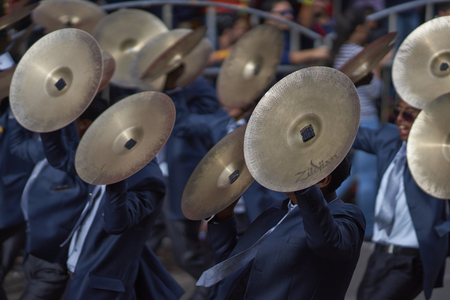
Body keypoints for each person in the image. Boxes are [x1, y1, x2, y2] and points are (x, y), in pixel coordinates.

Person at [35, 98, 183, 299]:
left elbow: (115, 225)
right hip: (76, 272)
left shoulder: (149, 179)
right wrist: (47, 123)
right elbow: (61, 159)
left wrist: (115, 176)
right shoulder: (102, 159)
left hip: (100, 286)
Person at [200, 153, 366, 299]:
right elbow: (234, 266)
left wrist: (305, 185)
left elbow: (326, 243)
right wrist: (223, 216)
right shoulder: (276, 209)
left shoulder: (346, 214)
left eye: (298, 164)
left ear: (322, 180)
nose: (288, 167)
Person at [355, 98, 450, 300]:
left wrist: (441, 234)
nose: (400, 120)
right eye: (397, 112)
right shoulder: (388, 138)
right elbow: (348, 133)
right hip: (379, 253)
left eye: (408, 114)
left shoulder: (441, 153)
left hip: (413, 258)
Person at [330, 6, 383, 240]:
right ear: (360, 29)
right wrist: (378, 68)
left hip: (345, 120)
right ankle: (368, 230)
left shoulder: (337, 52)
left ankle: (322, 214)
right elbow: (376, 90)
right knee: (367, 178)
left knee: (345, 175)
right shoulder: (362, 55)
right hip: (367, 118)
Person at [260, 0, 330, 66]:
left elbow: (305, 23)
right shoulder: (260, 34)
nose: (289, 16)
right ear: (268, 15)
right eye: (283, 13)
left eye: (290, 12)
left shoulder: (293, 33)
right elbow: (272, 56)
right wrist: (311, 53)